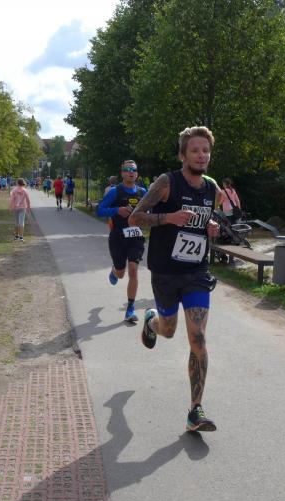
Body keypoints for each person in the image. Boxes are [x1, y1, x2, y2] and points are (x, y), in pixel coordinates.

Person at [128, 126, 221, 432]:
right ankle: (152, 321)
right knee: (168, 331)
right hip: (166, 272)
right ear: (183, 155)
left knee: (198, 339)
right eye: (195, 150)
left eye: (205, 150)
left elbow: (207, 220)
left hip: (196, 272)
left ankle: (196, 410)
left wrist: (211, 227)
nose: (201, 155)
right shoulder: (167, 183)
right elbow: (135, 217)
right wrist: (168, 217)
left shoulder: (212, 188)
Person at [97, 160, 147, 322]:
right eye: (127, 169)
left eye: (133, 169)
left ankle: (130, 309)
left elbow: (150, 210)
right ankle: (114, 271)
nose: (130, 172)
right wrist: (117, 210)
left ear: (137, 173)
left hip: (136, 237)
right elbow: (100, 210)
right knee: (120, 273)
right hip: (118, 236)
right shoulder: (115, 191)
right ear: (122, 173)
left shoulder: (142, 192)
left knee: (133, 270)